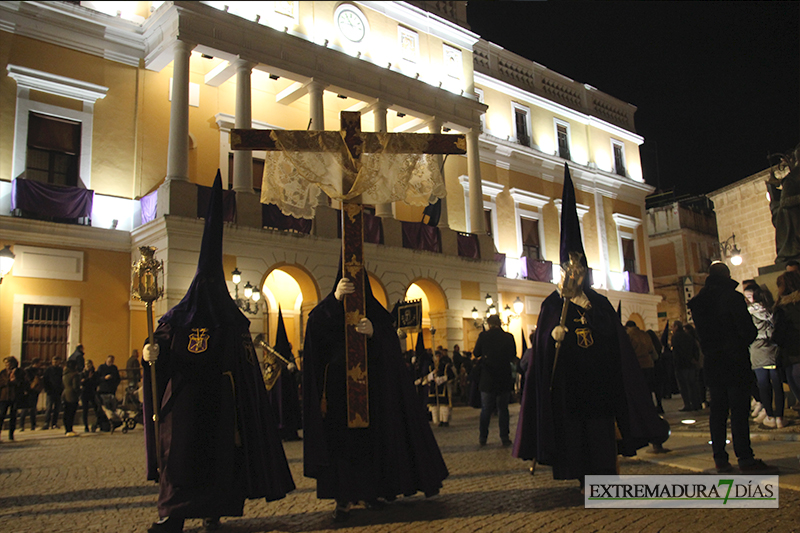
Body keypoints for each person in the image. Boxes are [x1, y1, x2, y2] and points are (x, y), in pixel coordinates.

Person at [141, 173, 295, 533]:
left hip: (221, 407)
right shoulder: (177, 320)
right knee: (178, 460)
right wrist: (151, 352)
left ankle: (213, 511)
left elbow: (246, 368)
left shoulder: (232, 323)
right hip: (183, 405)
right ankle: (172, 517)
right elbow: (161, 348)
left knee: (219, 461)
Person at [513, 163, 669, 491]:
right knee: (575, 436)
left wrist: (590, 315)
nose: (575, 275)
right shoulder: (553, 305)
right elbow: (541, 346)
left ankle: (604, 475)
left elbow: (615, 339)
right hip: (569, 385)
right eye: (571, 270)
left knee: (600, 435)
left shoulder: (598, 303)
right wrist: (550, 336)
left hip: (598, 383)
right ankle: (582, 477)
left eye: (580, 270)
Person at [303, 264, 448, 522]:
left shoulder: (378, 317)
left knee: (373, 445)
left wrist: (375, 334)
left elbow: (390, 349)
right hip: (339, 395)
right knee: (342, 447)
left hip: (374, 395)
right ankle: (343, 497)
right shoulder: (327, 312)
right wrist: (335, 300)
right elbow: (315, 330)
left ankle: (373, 492)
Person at [687, 261, 775, 473]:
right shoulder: (733, 298)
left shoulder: (698, 302)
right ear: (726, 276)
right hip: (734, 361)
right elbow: (747, 331)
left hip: (713, 362)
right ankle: (745, 457)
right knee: (738, 411)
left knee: (717, 413)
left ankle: (720, 458)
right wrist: (739, 342)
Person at [744, 284, 785, 428]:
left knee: (763, 385)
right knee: (777, 384)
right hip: (772, 349)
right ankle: (780, 417)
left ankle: (769, 416)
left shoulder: (748, 313)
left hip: (758, 350)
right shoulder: (772, 310)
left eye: (748, 296)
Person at [473, 314, 517, 447]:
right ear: (500, 323)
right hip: (503, 377)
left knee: (486, 409)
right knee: (503, 409)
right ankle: (504, 437)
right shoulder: (508, 337)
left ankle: (483, 437)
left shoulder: (483, 336)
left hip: (488, 378)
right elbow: (513, 355)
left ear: (489, 324)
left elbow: (476, 353)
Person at [268, 308, 302, 442]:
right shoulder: (274, 355)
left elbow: (296, 373)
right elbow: (271, 371)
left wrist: (292, 369)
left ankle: (291, 431)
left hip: (289, 390)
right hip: (279, 391)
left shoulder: (289, 355)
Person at [771, 271, 800, 420]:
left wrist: (774, 338)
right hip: (791, 351)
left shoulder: (783, 308)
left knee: (793, 378)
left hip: (792, 351)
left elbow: (780, 332)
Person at [670, 321, 702, 412]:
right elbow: (695, 348)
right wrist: (694, 359)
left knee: (684, 386)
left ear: (676, 327)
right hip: (691, 364)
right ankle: (696, 403)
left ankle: (687, 404)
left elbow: (677, 351)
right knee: (693, 385)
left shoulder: (675, 337)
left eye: (673, 326)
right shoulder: (688, 336)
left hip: (681, 365)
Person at [422, 349, 456, 427]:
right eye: (436, 356)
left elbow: (451, 377)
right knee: (434, 406)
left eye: (438, 356)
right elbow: (425, 377)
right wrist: (432, 375)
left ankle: (445, 420)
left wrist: (443, 379)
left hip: (443, 388)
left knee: (443, 405)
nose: (437, 358)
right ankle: (437, 420)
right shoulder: (430, 367)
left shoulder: (446, 366)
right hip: (433, 389)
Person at [0, 356, 26, 442]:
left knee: (13, 416)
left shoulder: (20, 372)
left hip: (15, 397)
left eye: (9, 363)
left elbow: (23, 383)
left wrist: (16, 381)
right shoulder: (3, 372)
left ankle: (11, 435)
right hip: (4, 397)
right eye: (6, 363)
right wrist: (8, 381)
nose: (7, 365)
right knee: (1, 416)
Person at [96, 355, 122, 431]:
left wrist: (115, 385)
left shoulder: (114, 368)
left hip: (112, 390)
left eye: (111, 361)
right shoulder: (101, 368)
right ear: (106, 360)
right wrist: (104, 378)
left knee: (112, 408)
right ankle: (103, 424)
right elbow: (97, 378)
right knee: (103, 408)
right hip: (103, 390)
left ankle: (112, 423)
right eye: (109, 361)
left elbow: (118, 378)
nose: (110, 362)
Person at [17, 358, 42, 431]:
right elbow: (27, 380)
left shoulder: (38, 370)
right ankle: (21, 425)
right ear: (36, 363)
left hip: (35, 391)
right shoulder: (28, 370)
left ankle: (33, 425)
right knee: (25, 409)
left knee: (33, 409)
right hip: (28, 391)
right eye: (39, 363)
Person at [42, 356, 63, 430]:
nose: (55, 363)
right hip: (50, 391)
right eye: (54, 361)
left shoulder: (60, 370)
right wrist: (47, 389)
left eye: (57, 361)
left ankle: (54, 423)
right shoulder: (48, 370)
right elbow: (45, 380)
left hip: (58, 391)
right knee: (49, 408)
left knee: (57, 408)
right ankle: (46, 423)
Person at [61, 359, 80, 437]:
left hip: (65, 393)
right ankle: (70, 429)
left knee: (66, 412)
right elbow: (76, 386)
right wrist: (79, 391)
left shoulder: (65, 374)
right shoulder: (75, 374)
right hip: (72, 395)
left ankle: (67, 429)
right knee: (71, 413)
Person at [80, 359, 100, 432]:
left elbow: (96, 382)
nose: (88, 366)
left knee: (96, 408)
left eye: (89, 365)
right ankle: (86, 426)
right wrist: (88, 378)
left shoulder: (95, 373)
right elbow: (82, 382)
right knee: (85, 410)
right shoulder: (82, 373)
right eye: (86, 365)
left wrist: (89, 380)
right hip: (84, 393)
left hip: (92, 392)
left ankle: (97, 423)